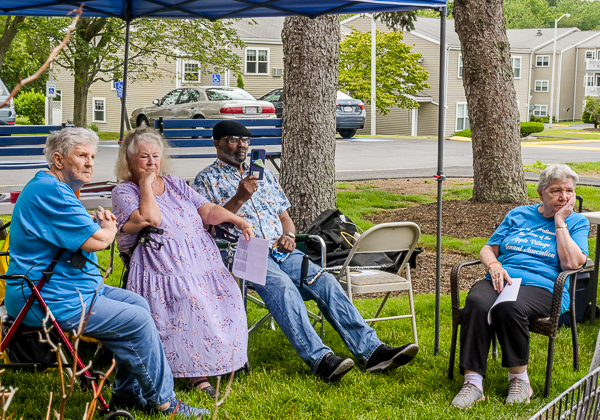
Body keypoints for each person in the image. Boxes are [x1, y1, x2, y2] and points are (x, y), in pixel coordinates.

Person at [192, 120, 419, 382]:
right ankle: (321, 359)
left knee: (325, 281)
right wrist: (240, 197)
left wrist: (289, 235)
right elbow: (204, 225)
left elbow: (285, 219)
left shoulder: (264, 176)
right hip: (242, 250)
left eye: (246, 140)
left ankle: (372, 352)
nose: (241, 145)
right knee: (283, 288)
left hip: (280, 250)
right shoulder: (206, 179)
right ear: (217, 143)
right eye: (233, 139)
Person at [4, 127, 208, 418]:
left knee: (138, 304)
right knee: (136, 320)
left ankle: (127, 393)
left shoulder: (56, 187)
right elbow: (98, 241)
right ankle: (165, 403)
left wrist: (95, 221)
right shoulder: (50, 191)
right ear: (59, 160)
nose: (90, 163)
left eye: (92, 156)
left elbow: (68, 230)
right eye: (82, 156)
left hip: (64, 287)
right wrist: (110, 227)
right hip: (45, 297)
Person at [111, 126, 252, 399]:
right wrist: (145, 185)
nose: (152, 162)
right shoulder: (124, 191)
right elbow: (151, 219)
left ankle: (224, 360)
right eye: (144, 157)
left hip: (199, 261)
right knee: (190, 299)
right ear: (129, 161)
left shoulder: (175, 183)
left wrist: (237, 219)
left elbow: (207, 210)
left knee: (229, 293)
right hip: (159, 266)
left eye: (155, 156)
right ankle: (194, 374)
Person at [451, 164, 590, 409]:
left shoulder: (577, 223)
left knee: (509, 307)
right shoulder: (518, 214)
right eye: (556, 190)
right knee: (476, 303)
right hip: (502, 278)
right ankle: (472, 382)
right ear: (541, 193)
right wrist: (493, 264)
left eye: (569, 191)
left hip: (545, 287)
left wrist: (560, 222)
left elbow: (572, 263)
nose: (564, 197)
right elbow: (488, 248)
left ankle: (519, 379)